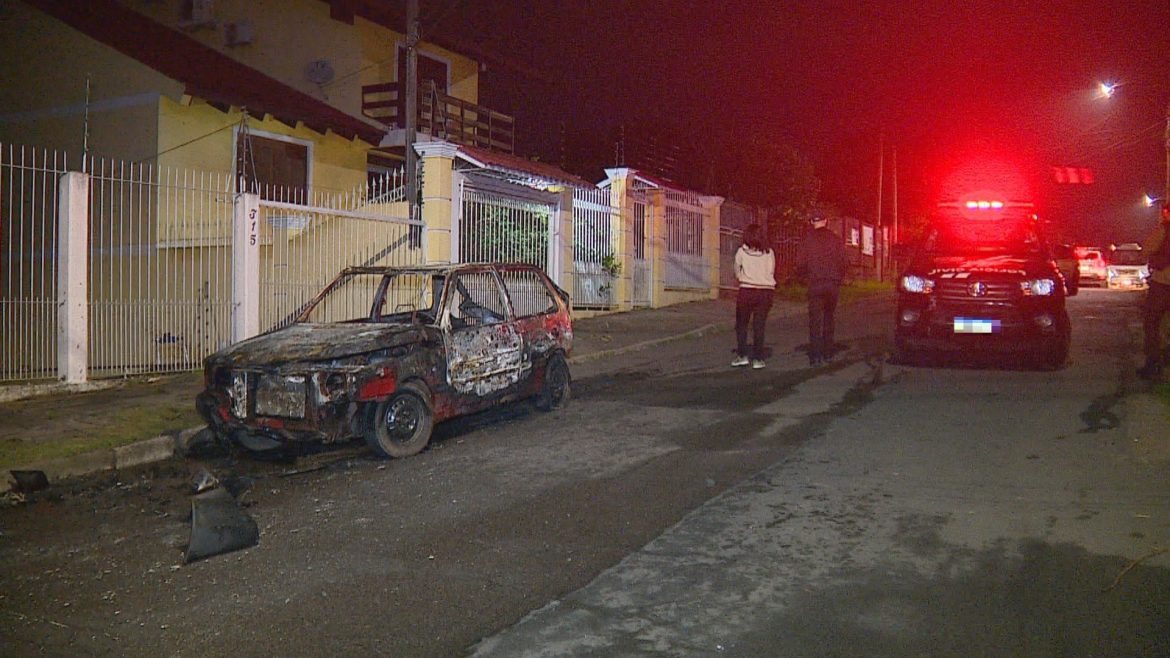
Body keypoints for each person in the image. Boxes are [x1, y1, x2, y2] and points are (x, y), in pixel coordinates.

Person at [797, 213, 849, 366]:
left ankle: (815, 355)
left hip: (815, 283)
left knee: (815, 320)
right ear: (826, 221)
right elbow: (845, 262)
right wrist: (838, 277)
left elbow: (800, 263)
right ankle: (828, 352)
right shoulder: (836, 239)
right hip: (832, 284)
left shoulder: (808, 239)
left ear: (813, 222)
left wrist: (803, 275)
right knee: (829, 318)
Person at [732, 223, 776, 369]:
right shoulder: (769, 252)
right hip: (765, 291)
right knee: (759, 325)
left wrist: (742, 278)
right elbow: (771, 271)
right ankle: (758, 358)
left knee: (742, 324)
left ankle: (742, 355)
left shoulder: (741, 252)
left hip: (747, 290)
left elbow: (737, 270)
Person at [1137, 204, 1170, 380]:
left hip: (1163, 284)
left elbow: (1147, 249)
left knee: (1152, 323)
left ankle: (1153, 363)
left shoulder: (1164, 230)